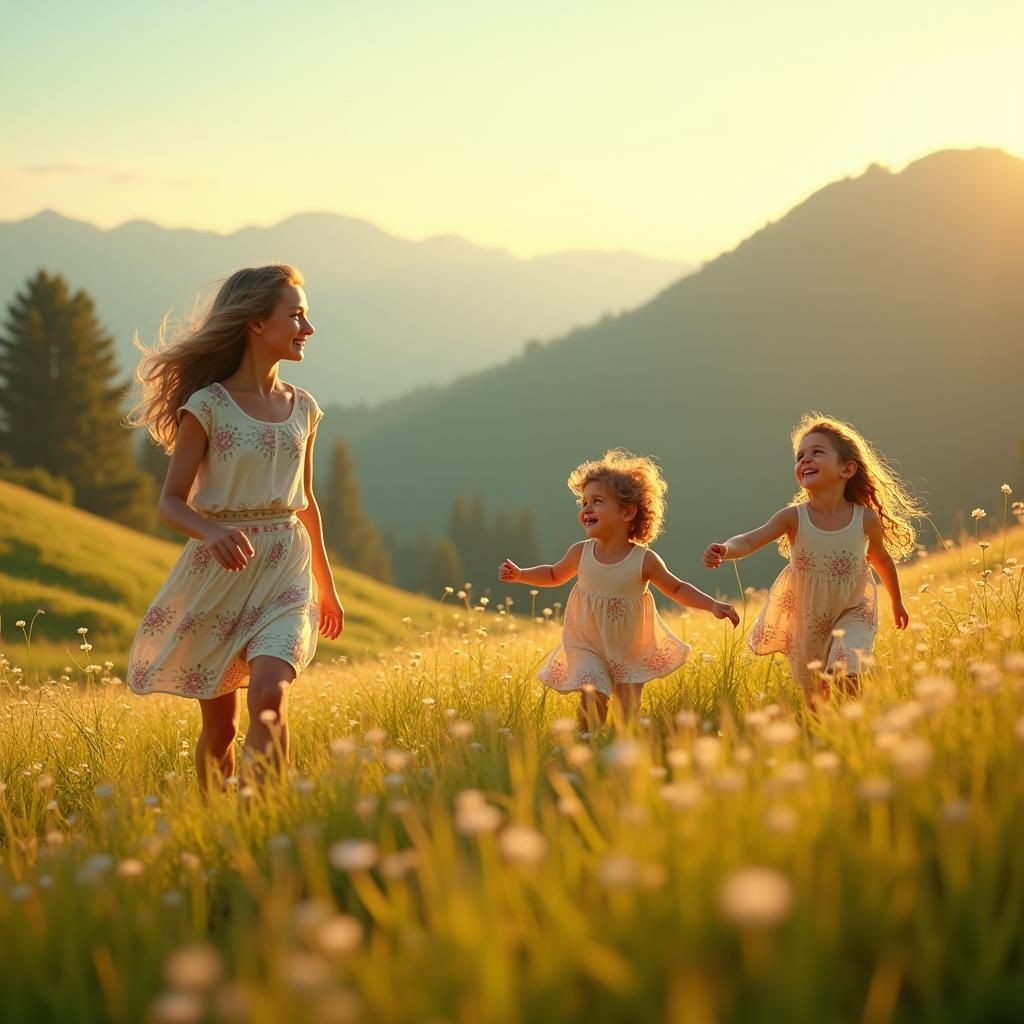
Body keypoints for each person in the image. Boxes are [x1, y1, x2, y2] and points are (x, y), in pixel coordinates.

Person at [126, 265, 343, 790]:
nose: (307, 329)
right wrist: (212, 532)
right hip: (220, 573)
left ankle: (263, 816)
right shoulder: (206, 408)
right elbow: (171, 503)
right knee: (220, 730)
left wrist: (326, 588)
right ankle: (216, 827)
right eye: (295, 316)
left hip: (285, 572)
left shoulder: (304, 408)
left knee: (270, 691)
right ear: (254, 324)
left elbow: (306, 501)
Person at [500, 450, 738, 728]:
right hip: (586, 643)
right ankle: (586, 743)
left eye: (597, 502)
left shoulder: (643, 560)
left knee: (628, 713)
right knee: (592, 691)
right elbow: (553, 574)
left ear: (627, 512)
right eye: (584, 502)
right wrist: (520, 575)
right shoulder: (581, 553)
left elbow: (676, 588)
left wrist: (711, 604)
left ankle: (621, 749)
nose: (586, 509)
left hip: (629, 648)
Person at [703, 412, 918, 701]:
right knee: (815, 693)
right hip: (807, 616)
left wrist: (897, 601)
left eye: (817, 452)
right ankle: (819, 734)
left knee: (847, 670)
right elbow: (751, 539)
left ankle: (852, 725)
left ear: (847, 469)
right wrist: (726, 549)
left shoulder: (865, 519)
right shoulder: (793, 518)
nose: (805, 460)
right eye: (800, 456)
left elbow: (880, 559)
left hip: (853, 609)